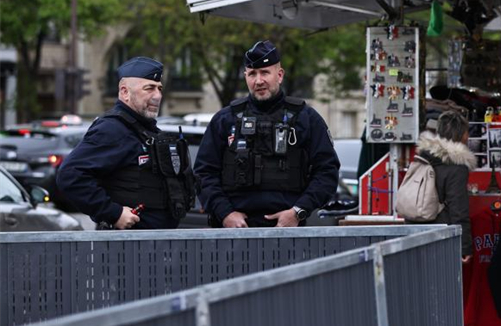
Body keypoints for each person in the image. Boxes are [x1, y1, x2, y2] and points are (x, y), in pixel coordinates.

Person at [194, 41, 340, 227]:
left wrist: (298, 212)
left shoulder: (305, 118)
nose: (258, 81)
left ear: (279, 75)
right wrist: (225, 214)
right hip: (233, 233)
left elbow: (327, 171)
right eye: (252, 74)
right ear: (245, 76)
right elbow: (203, 174)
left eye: (265, 72)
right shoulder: (225, 119)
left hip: (288, 230)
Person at [57, 57, 195, 229]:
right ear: (124, 92)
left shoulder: (146, 129)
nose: (157, 96)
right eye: (149, 88)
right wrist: (113, 213)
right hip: (126, 247)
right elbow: (70, 175)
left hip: (155, 244)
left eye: (159, 88)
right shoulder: (113, 129)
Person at [413, 111, 476, 260]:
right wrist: (464, 247)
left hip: (416, 231)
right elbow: (458, 210)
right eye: (466, 133)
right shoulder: (457, 168)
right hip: (442, 235)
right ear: (460, 135)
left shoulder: (423, 158)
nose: (468, 137)